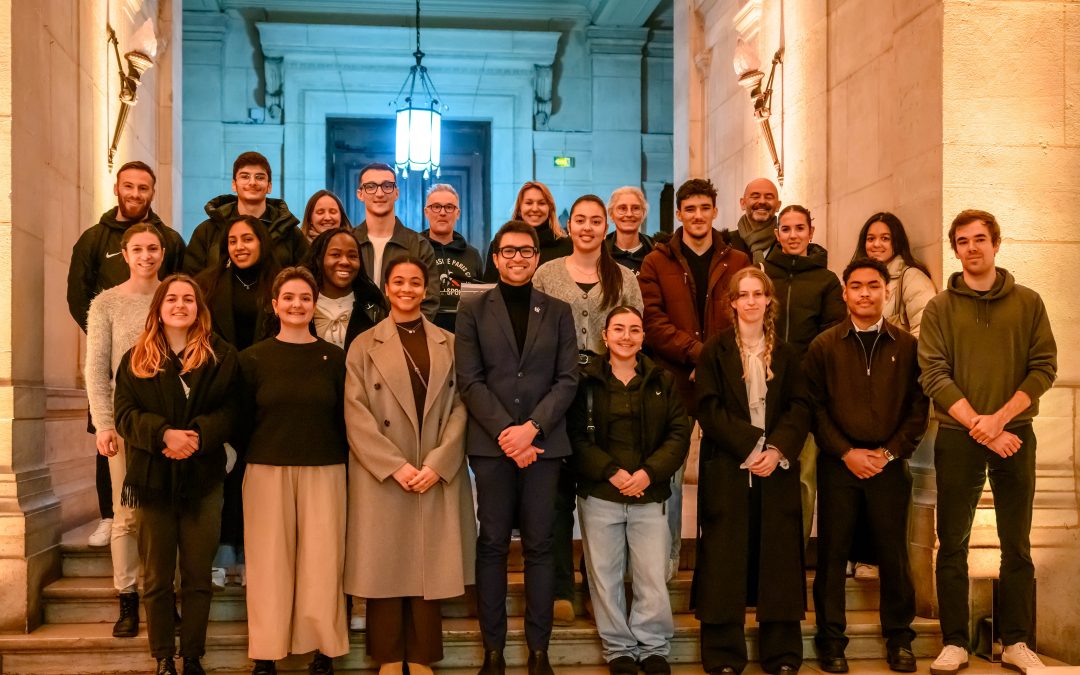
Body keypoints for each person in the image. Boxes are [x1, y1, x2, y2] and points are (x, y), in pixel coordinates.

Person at [920, 210, 1057, 675]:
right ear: (954, 249)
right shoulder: (940, 307)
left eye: (980, 239)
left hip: (1015, 434)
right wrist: (980, 424)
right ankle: (955, 641)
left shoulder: (1028, 302)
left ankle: (1016, 641)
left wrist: (1000, 420)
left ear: (997, 244)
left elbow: (1044, 368)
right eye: (963, 241)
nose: (972, 248)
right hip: (958, 437)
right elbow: (934, 373)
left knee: (1016, 542)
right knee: (952, 541)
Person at [455, 221, 579, 675]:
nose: (518, 259)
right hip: (491, 447)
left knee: (540, 546)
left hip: (545, 446)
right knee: (491, 544)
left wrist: (532, 430)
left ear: (536, 256)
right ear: (496, 255)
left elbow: (567, 380)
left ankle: (539, 650)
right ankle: (493, 650)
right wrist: (510, 433)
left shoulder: (560, 310)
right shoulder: (473, 308)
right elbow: (469, 380)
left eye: (526, 251)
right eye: (508, 252)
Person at [344, 257, 476, 675]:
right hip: (384, 469)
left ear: (426, 289)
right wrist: (393, 465)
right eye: (398, 281)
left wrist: (439, 463)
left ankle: (419, 655)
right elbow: (355, 411)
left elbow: (462, 406)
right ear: (386, 287)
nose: (406, 289)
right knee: (385, 562)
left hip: (433, 465)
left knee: (426, 562)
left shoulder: (449, 342)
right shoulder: (364, 344)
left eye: (415, 282)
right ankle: (387, 655)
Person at [803, 258, 928, 673]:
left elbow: (917, 407)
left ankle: (899, 639)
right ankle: (831, 641)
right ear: (844, 292)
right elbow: (815, 409)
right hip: (840, 465)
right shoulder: (824, 345)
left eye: (873, 286)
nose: (865, 293)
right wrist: (846, 452)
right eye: (856, 286)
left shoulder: (907, 345)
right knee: (833, 555)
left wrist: (889, 453)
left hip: (889, 466)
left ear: (886, 290)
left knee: (894, 555)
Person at [113, 274, 240, 675]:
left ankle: (192, 656)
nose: (180, 305)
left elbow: (233, 411)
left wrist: (197, 437)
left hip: (203, 479)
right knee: (156, 576)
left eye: (189, 299)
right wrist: (163, 433)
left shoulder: (221, 355)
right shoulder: (136, 358)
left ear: (199, 309)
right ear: (159, 308)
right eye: (172, 299)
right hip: (153, 478)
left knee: (198, 575)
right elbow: (125, 415)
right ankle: (164, 656)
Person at [693, 267, 811, 675]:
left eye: (757, 294)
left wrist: (776, 447)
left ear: (768, 300)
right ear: (732, 303)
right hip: (729, 464)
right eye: (742, 295)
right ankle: (724, 654)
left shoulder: (789, 353)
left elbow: (800, 406)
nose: (750, 301)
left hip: (775, 467)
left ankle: (781, 654)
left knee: (777, 557)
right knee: (725, 558)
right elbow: (708, 408)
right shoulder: (714, 351)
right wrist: (752, 443)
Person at [533, 194, 644, 625]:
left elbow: (635, 332)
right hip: (557, 393)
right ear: (570, 225)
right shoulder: (546, 274)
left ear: (606, 227)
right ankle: (561, 585)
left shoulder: (625, 278)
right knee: (557, 492)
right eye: (579, 220)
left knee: (601, 491)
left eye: (595, 221)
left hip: (606, 392)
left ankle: (598, 582)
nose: (587, 227)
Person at [67, 160, 186, 548]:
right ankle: (108, 514)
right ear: (118, 188)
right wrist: (106, 336)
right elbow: (77, 295)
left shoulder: (169, 237)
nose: (136, 194)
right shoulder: (93, 238)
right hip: (114, 361)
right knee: (109, 442)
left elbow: (182, 291)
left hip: (163, 376)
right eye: (129, 186)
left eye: (143, 188)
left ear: (153, 192)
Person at [568, 306, 689, 675]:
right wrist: (612, 472)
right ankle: (618, 648)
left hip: (649, 495)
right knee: (604, 576)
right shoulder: (585, 381)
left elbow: (678, 434)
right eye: (618, 329)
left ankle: (653, 648)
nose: (626, 336)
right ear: (605, 335)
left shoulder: (661, 381)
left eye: (634, 330)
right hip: (601, 494)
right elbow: (574, 436)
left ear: (643, 337)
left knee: (651, 575)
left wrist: (648, 474)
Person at [639, 177, 749, 580]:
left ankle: (720, 564)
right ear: (679, 214)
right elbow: (651, 321)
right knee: (668, 477)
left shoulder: (737, 260)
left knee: (725, 477)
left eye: (705, 208)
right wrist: (697, 354)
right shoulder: (656, 261)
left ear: (715, 212)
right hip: (674, 381)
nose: (698, 215)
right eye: (690, 209)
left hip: (724, 383)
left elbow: (746, 315)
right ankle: (666, 563)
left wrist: (714, 360)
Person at [240, 267, 349, 675]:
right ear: (275, 305)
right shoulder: (252, 359)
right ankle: (266, 652)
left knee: (322, 562)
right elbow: (242, 418)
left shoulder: (335, 358)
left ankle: (322, 649)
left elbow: (345, 418)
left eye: (305, 297)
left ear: (315, 303)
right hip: (266, 468)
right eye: (288, 297)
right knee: (269, 564)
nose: (297, 304)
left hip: (326, 467)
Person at [84, 223, 166, 638]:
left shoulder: (174, 297)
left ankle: (163, 596)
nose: (146, 256)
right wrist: (103, 424)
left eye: (153, 248)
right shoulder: (107, 304)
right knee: (127, 515)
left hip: (168, 426)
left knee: (166, 514)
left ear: (163, 252)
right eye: (138, 249)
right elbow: (97, 369)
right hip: (123, 426)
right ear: (125, 253)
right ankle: (128, 597)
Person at [197, 215, 281, 585]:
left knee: (257, 474)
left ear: (262, 241)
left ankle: (252, 551)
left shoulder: (278, 283)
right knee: (224, 472)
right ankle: (221, 549)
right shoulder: (209, 284)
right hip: (221, 389)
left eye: (248, 238)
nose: (240, 246)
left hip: (267, 393)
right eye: (233, 241)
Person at [761, 204, 846, 545]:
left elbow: (831, 331)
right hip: (763, 384)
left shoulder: (826, 280)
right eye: (786, 229)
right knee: (762, 466)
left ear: (811, 232)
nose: (793, 235)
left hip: (806, 389)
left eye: (800, 228)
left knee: (803, 474)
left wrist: (800, 371)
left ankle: (794, 550)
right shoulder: (764, 274)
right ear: (777, 233)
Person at [184, 151, 307, 276]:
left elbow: (305, 279)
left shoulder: (290, 233)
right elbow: (191, 281)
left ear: (269, 186)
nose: (252, 182)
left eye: (259, 177)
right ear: (234, 185)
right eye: (245, 176)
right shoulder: (207, 231)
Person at [353, 162, 440, 320]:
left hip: (403, 339)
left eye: (387, 186)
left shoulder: (419, 246)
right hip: (353, 338)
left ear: (396, 193)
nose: (379, 193)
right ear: (360, 194)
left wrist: (401, 337)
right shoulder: (349, 242)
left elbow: (429, 301)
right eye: (371, 186)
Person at [850, 212, 936, 338]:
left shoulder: (912, 277)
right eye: (870, 239)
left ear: (896, 242)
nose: (876, 244)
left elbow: (925, 330)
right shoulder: (854, 280)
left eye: (885, 238)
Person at [303, 227, 386, 352]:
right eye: (335, 254)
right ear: (319, 259)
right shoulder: (301, 304)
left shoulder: (374, 308)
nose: (345, 262)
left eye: (352, 256)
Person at [420, 183, 483, 332]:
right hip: (423, 331)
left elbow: (482, 299)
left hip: (464, 334)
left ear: (458, 213)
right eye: (436, 206)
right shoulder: (415, 249)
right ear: (426, 212)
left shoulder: (472, 255)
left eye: (449, 207)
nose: (442, 213)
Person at [482, 181, 573, 281]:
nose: (535, 208)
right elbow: (489, 287)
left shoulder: (567, 246)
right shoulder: (500, 243)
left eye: (541, 203)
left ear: (550, 208)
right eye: (529, 203)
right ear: (520, 208)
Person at [726, 178, 782, 264]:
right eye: (755, 196)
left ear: (778, 205)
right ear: (743, 203)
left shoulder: (785, 243)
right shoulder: (726, 243)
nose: (762, 201)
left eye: (769, 197)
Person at [605, 186, 654, 275]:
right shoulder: (600, 253)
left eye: (635, 208)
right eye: (622, 208)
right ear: (611, 214)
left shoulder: (656, 252)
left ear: (643, 214)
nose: (629, 214)